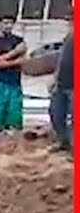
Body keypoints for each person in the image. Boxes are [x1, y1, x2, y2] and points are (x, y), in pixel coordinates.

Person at [0, 15, 28, 142]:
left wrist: (4, 59)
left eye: (11, 23)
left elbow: (24, 61)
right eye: (5, 23)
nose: (8, 26)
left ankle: (16, 146)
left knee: (15, 116)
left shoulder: (18, 40)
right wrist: (14, 54)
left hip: (15, 82)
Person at [49, 22, 74, 154]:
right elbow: (61, 60)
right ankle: (63, 141)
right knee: (56, 113)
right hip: (62, 83)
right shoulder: (68, 38)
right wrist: (55, 79)